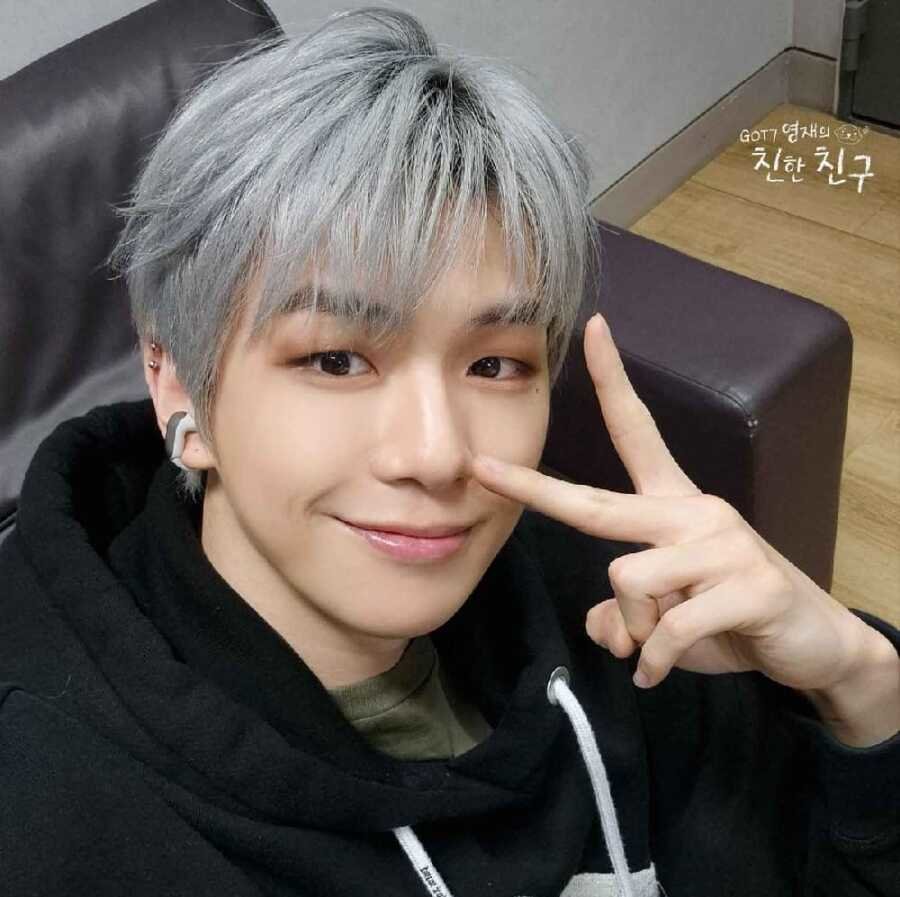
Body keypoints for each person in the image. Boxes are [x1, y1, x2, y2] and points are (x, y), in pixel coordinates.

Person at [1, 7, 897, 896]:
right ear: (176, 381)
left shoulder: (618, 612)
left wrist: (862, 686)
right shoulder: (56, 809)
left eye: (494, 363)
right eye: (337, 359)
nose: (437, 455)